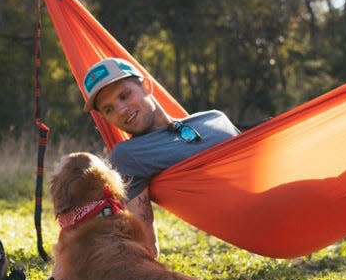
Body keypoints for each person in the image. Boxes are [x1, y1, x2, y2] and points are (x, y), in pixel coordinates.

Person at [82, 57, 240, 257]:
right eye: (109, 109)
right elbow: (147, 247)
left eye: (124, 95)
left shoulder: (214, 116)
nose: (121, 110)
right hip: (254, 212)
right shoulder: (128, 155)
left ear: (147, 86)